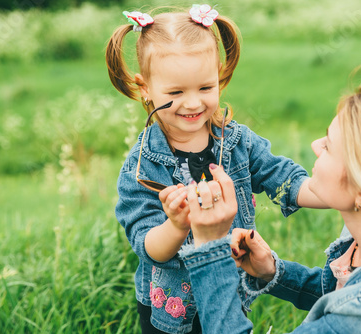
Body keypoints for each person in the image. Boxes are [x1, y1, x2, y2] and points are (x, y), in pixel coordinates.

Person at [180, 80, 361, 333]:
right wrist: (273, 272)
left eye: (330, 146)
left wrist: (209, 245)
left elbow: (354, 313)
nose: (315, 145)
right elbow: (341, 298)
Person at [105, 5, 325, 333]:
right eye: (176, 92)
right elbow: (148, 246)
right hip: (172, 311)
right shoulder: (143, 166)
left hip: (227, 292)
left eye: (205, 88)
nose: (193, 103)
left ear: (219, 77)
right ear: (146, 88)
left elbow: (280, 176)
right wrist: (177, 225)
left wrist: (329, 193)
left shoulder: (236, 142)